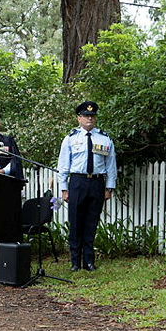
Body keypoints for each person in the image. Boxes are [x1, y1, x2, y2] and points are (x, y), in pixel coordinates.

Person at [57, 100, 118, 271]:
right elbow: (63, 165)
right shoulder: (70, 139)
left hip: (97, 182)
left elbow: (111, 165)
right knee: (76, 223)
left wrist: (109, 187)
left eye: (92, 116)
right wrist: (64, 188)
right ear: (79, 118)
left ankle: (89, 261)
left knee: (92, 223)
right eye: (86, 116)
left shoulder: (104, 138)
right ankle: (75, 262)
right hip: (77, 182)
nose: (89, 118)